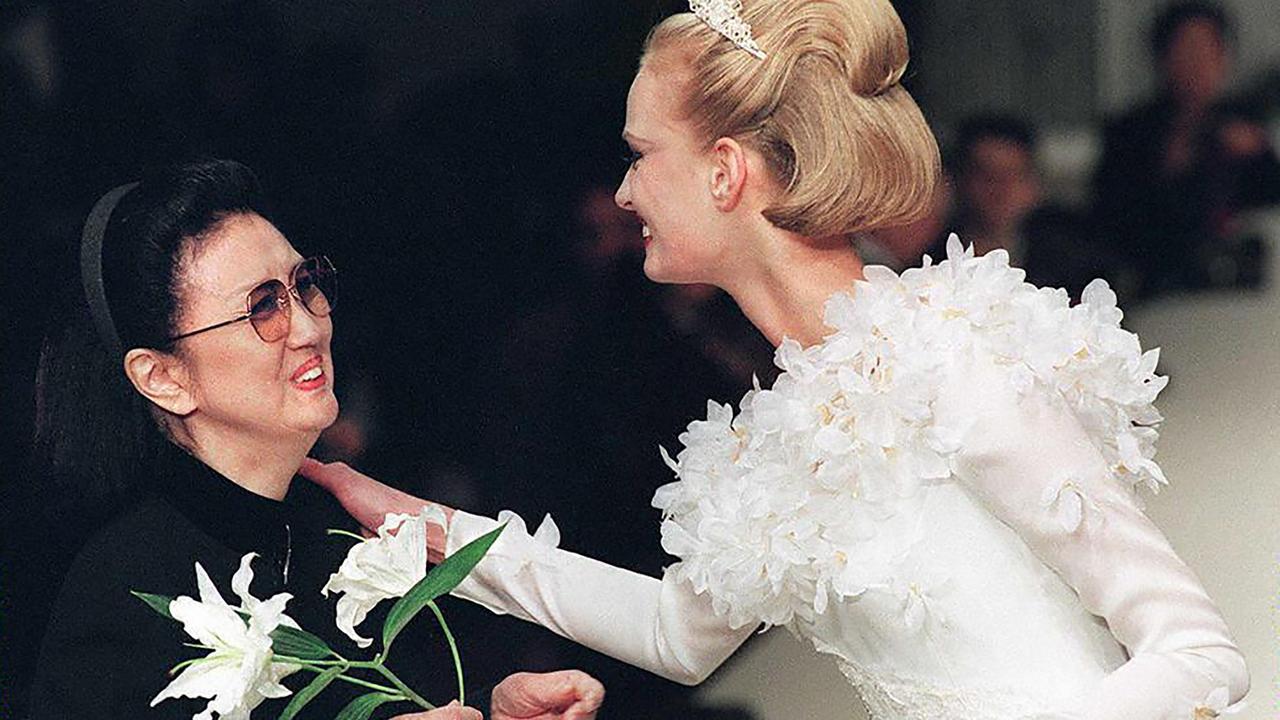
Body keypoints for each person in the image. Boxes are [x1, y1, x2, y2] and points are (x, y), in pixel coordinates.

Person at [305, 1, 1248, 717]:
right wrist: (419, 526)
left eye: (638, 153)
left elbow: (1200, 650)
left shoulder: (946, 358)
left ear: (724, 171)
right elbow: (677, 635)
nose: (624, 190)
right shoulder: (776, 436)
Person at [27, 159, 603, 720]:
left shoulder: (332, 529)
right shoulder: (121, 595)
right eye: (262, 308)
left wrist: (487, 710)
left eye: (302, 286)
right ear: (165, 378)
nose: (308, 327)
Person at [1093, 1, 1280, 299]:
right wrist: (1173, 164)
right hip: (1157, 284)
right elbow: (1111, 219)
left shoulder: (1244, 123)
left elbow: (1270, 203)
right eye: (1186, 50)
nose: (1198, 63)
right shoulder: (1130, 131)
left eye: (1209, 51)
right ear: (1163, 57)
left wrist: (1254, 153)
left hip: (1241, 284)